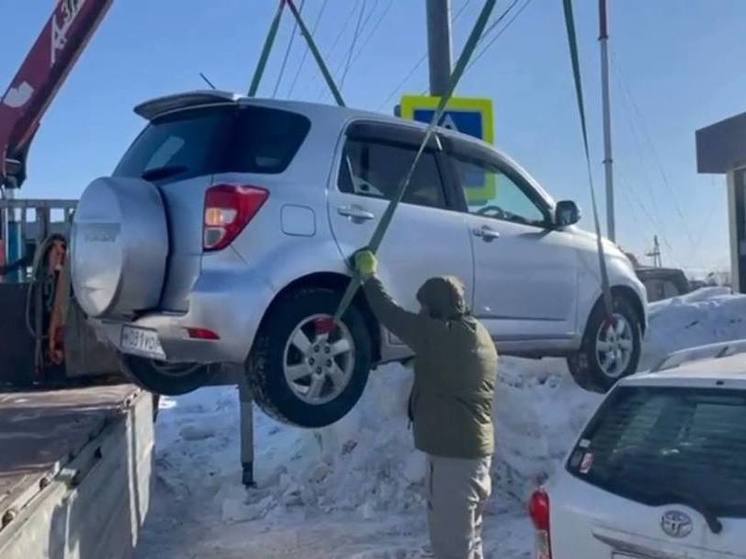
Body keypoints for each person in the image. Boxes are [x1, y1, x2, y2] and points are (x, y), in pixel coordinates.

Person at [353, 249, 498, 559]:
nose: (419, 313)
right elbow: (451, 369)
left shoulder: (439, 335)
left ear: (436, 309)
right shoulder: (476, 333)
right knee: (469, 541)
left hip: (454, 460)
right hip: (473, 456)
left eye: (423, 308)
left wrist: (369, 276)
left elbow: (389, 313)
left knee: (452, 546)